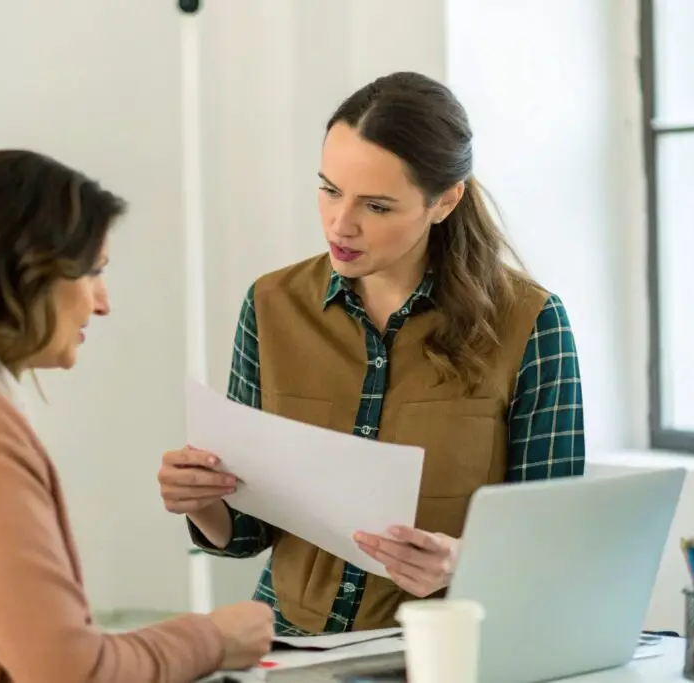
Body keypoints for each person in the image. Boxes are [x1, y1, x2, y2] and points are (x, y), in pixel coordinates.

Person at [156, 71, 586, 636]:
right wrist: (199, 499)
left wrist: (462, 560)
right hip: (290, 646)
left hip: (442, 651)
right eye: (329, 189)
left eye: (377, 206)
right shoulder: (270, 306)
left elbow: (554, 541)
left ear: (445, 200)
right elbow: (246, 534)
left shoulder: (531, 323)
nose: (341, 223)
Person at [0, 150, 274, 683]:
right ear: (25, 271)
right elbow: (71, 671)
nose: (102, 302)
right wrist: (214, 638)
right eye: (92, 272)